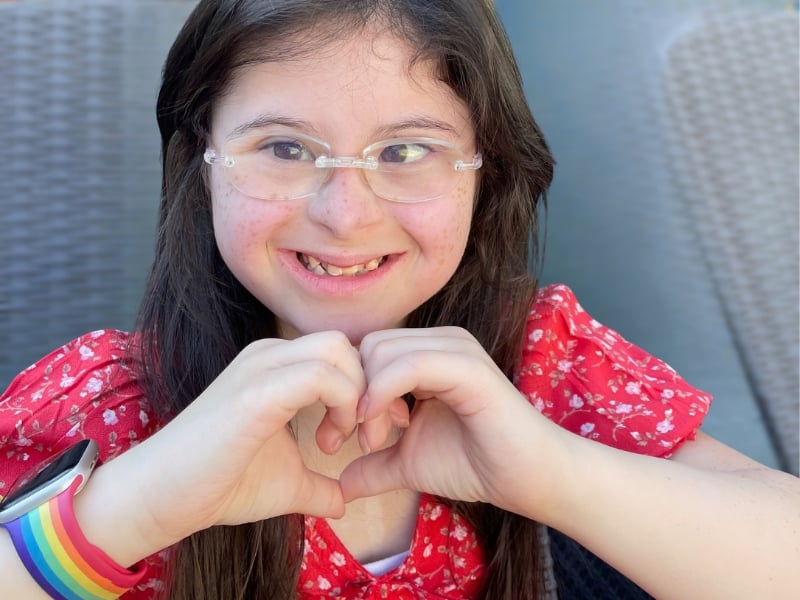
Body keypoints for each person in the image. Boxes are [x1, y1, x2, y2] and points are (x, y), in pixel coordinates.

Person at [1, 0, 798, 598]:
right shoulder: (104, 403)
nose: (346, 215)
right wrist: (135, 508)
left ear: (486, 173)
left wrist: (550, 473)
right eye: (283, 148)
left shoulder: (542, 359)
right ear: (202, 158)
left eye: (408, 151)